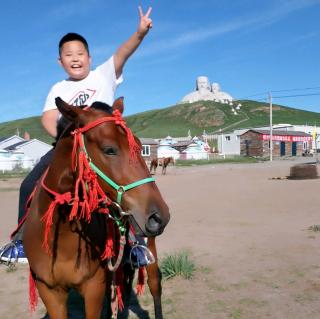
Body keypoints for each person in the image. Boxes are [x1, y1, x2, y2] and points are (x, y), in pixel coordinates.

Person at [0, 6, 153, 265]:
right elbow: (49, 117)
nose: (75, 58)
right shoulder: (58, 88)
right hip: (69, 145)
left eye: (80, 53)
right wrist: (65, 138)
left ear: (90, 58)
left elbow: (122, 53)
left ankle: (135, 245)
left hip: (106, 148)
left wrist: (139, 33)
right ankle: (21, 242)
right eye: (68, 55)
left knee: (129, 181)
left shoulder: (103, 76)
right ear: (60, 62)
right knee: (29, 184)